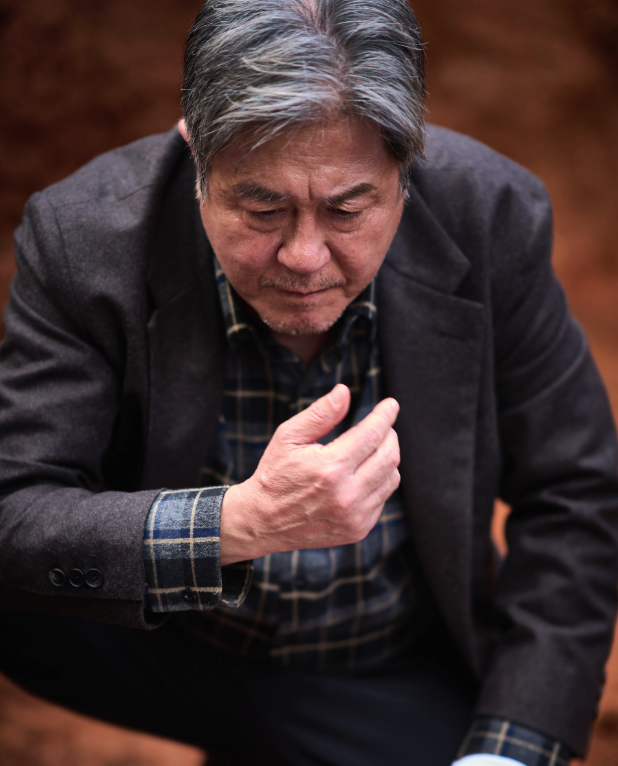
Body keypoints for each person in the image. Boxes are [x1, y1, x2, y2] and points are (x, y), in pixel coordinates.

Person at [0, 1, 617, 764]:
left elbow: (575, 492)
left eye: (347, 209)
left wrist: (506, 752)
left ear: (408, 166)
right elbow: (15, 509)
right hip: (142, 636)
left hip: (375, 667)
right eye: (262, 208)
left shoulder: (492, 215)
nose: (304, 257)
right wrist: (236, 525)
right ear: (194, 150)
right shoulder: (84, 236)